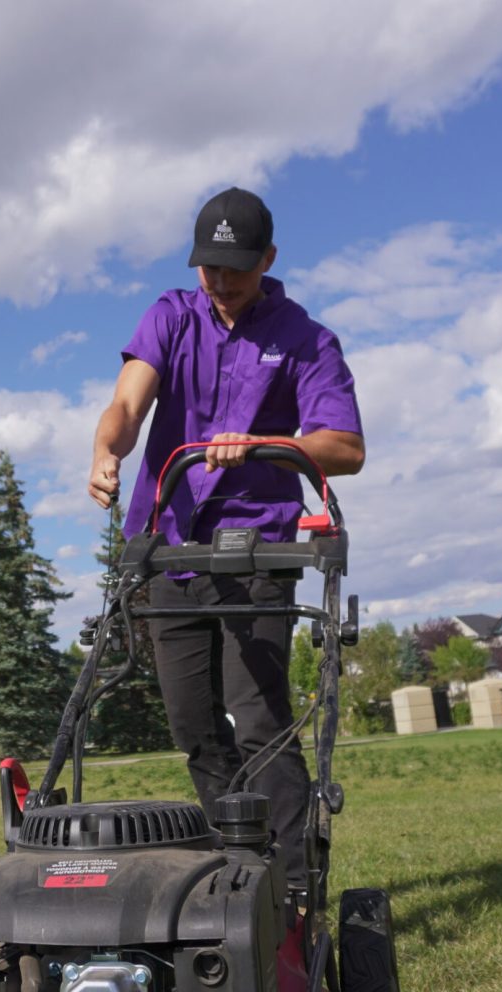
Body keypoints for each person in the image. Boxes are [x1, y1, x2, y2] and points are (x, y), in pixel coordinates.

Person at [88, 186, 364, 889]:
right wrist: (107, 450)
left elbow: (346, 447)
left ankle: (296, 889)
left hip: (256, 551)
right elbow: (127, 401)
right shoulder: (171, 317)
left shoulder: (306, 338)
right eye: (210, 268)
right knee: (194, 730)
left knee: (258, 720)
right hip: (168, 545)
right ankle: (238, 877)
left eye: (236, 268)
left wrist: (267, 442)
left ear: (268, 258)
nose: (222, 282)